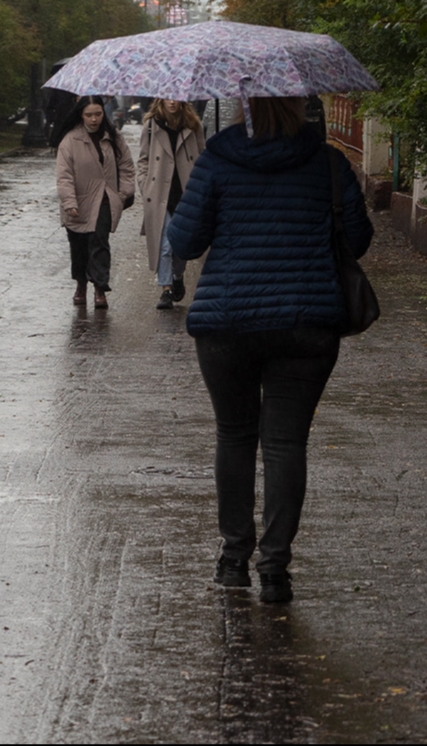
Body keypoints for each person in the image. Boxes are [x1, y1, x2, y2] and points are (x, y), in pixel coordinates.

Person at [165, 96, 373, 604]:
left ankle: (234, 559)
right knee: (285, 445)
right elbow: (360, 239)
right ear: (300, 106)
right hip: (307, 325)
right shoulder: (328, 162)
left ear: (244, 105)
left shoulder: (217, 157)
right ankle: (275, 570)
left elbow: (185, 240)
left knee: (235, 437)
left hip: (227, 324)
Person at [55, 95, 135, 309]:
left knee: (100, 243)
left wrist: (124, 192)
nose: (94, 119)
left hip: (105, 199)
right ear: (81, 115)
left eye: (98, 114)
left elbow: (127, 165)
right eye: (89, 115)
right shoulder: (70, 140)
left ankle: (100, 287)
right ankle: (81, 283)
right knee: (79, 246)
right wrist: (69, 201)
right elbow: (64, 176)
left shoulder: (113, 137)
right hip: (78, 202)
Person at [136, 98, 207, 310]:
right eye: (167, 96)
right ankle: (165, 289)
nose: (172, 102)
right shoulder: (151, 126)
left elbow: (203, 157)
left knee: (181, 244)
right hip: (159, 194)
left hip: (186, 193)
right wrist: (145, 185)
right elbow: (143, 160)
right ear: (160, 99)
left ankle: (177, 275)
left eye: (176, 97)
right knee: (164, 244)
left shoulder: (193, 125)